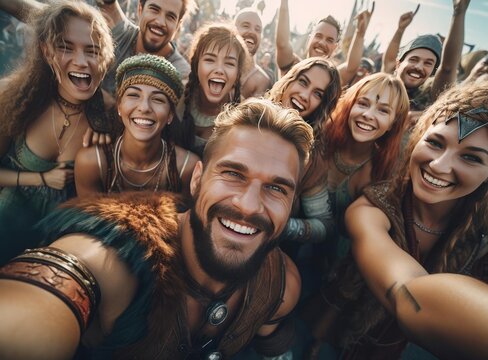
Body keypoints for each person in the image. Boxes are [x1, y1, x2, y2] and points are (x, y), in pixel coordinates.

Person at [0, 97, 314, 359]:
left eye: (277, 189)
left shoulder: (281, 287)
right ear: (196, 178)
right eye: (233, 173)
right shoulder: (112, 259)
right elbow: (46, 298)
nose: (248, 205)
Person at [310, 80, 488, 359]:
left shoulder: (482, 230)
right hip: (342, 333)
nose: (439, 166)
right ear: (417, 139)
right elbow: (409, 296)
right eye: (435, 142)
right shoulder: (370, 208)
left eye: (472, 158)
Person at [0, 0, 114, 265]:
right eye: (66, 47)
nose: (81, 61)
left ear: (105, 58)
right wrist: (41, 178)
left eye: (92, 50)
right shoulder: (14, 97)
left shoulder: (111, 115)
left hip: (54, 266)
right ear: (46, 51)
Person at [75, 54, 198, 200]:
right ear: (119, 106)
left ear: (170, 115)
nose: (144, 107)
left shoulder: (186, 168)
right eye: (134, 95)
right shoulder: (92, 163)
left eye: (158, 99)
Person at [382, 1, 471, 123]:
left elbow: (447, 68)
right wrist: (400, 30)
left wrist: (459, 12)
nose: (419, 67)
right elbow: (389, 61)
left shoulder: (430, 98)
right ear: (399, 63)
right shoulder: (384, 84)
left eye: (428, 63)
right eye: (414, 59)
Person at [172, 22, 250, 157]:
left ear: (238, 75)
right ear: (196, 65)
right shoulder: (175, 96)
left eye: (229, 63)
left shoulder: (243, 120)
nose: (219, 70)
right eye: (210, 60)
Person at [96, 0, 193, 94]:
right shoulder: (122, 35)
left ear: (178, 25)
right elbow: (108, 4)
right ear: (140, 9)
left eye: (170, 17)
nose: (160, 22)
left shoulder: (180, 74)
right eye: (154, 9)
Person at [275, 0, 373, 85]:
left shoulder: (332, 79)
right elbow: (282, 43)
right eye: (318, 36)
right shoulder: (292, 64)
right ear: (310, 39)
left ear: (335, 48)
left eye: (329, 40)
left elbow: (351, 68)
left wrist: (360, 34)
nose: (322, 43)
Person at [234, 7, 272, 98]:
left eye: (257, 29)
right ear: (233, 29)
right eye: (246, 26)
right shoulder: (218, 64)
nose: (252, 32)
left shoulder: (262, 81)